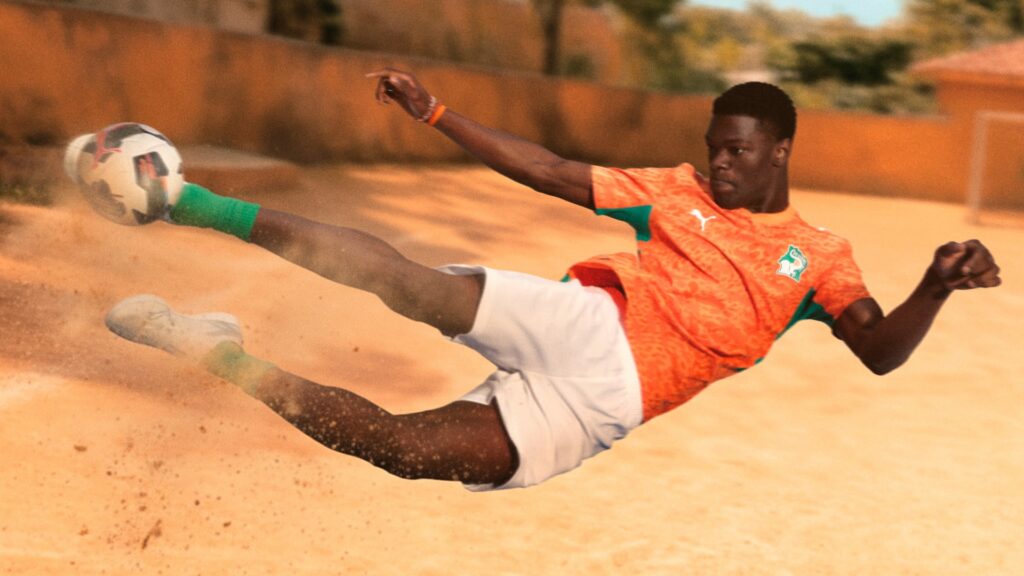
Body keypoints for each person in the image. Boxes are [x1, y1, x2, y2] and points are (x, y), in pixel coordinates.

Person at [100, 69, 1001, 491]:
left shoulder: (820, 255)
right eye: (714, 149)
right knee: (412, 287)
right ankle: (187, 200)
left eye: (737, 152)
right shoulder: (675, 190)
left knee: (400, 451)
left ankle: (211, 350)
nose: (720, 165)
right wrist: (438, 113)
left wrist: (934, 286)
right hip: (592, 322)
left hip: (608, 407)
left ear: (781, 152)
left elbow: (878, 352)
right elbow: (548, 170)